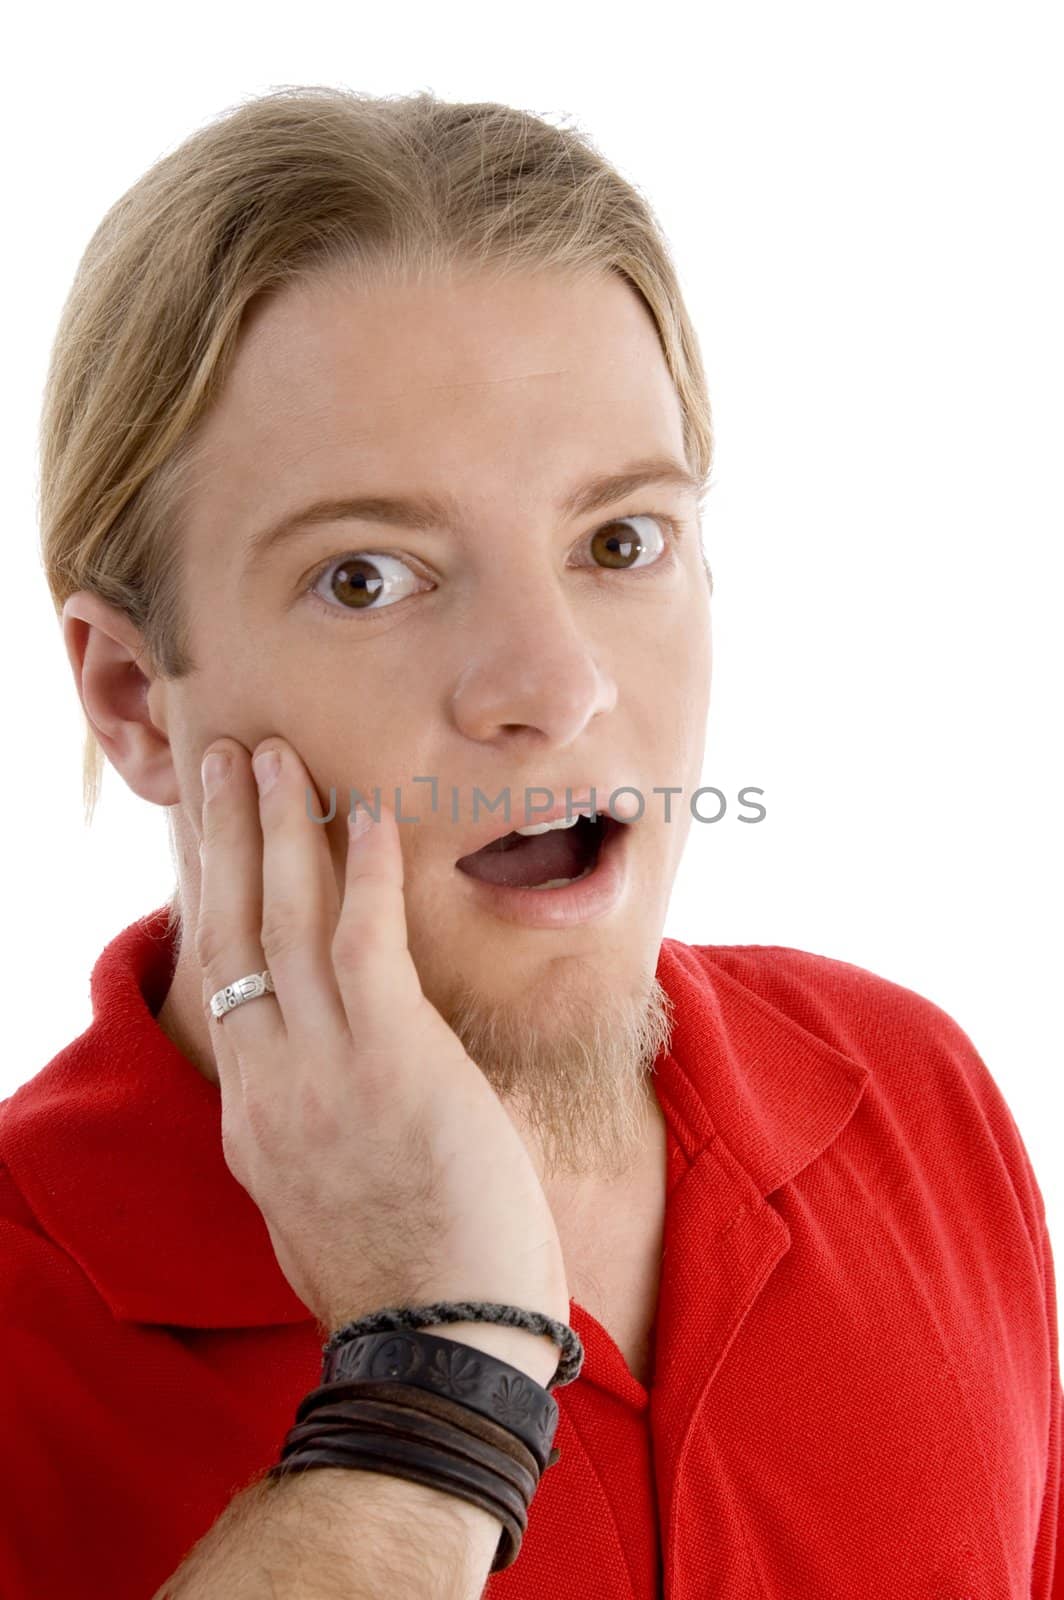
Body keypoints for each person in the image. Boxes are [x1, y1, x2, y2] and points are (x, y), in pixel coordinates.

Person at [0, 85, 1059, 1599]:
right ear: (133, 700)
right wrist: (432, 1385)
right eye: (369, 576)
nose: (556, 688)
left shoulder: (913, 1097)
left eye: (619, 543)